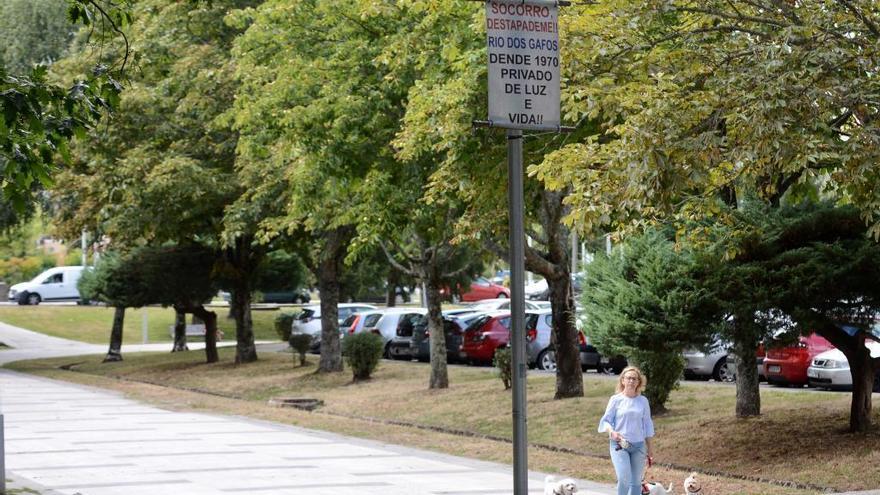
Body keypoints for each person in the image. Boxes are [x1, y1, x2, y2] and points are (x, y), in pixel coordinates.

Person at [598, 366, 655, 495]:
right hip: (619, 445)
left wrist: (650, 447)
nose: (631, 381)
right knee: (624, 478)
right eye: (628, 378)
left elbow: (647, 425)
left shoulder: (643, 401)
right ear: (623, 380)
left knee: (635, 482)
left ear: (638, 382)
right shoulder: (615, 400)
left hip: (638, 446)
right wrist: (611, 431)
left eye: (634, 379)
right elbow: (606, 420)